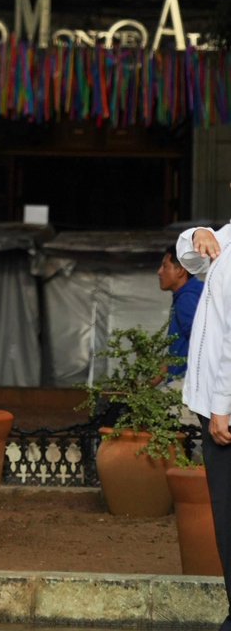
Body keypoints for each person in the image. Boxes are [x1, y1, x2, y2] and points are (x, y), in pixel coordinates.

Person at [177, 220, 231, 631]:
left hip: (223, 408)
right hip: (212, 401)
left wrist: (222, 407)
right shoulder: (228, 235)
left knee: (228, 516)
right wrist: (198, 232)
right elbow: (189, 257)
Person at [157, 243, 203, 381]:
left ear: (180, 270)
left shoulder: (187, 298)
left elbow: (202, 340)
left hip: (187, 383)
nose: (159, 272)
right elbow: (174, 354)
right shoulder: (195, 292)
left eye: (165, 266)